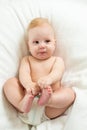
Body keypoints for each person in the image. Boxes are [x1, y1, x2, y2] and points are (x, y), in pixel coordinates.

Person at [3, 17, 75, 123]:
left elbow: (57, 73)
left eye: (47, 41)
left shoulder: (57, 60)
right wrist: (28, 84)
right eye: (36, 42)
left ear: (54, 43)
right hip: (26, 100)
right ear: (29, 46)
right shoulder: (27, 59)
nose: (42, 46)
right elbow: (24, 74)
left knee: (70, 93)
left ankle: (50, 100)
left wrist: (49, 79)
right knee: (9, 83)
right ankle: (20, 103)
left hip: (49, 109)